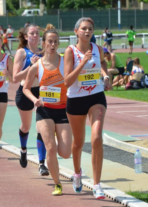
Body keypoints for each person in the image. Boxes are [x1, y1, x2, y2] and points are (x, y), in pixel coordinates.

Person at [64, 17, 111, 199]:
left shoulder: (98, 49)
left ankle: (97, 184)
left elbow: (103, 63)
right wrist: (82, 63)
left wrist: (105, 77)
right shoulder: (70, 52)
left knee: (97, 137)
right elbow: (67, 82)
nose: (87, 31)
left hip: (96, 97)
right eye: (83, 28)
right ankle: (77, 173)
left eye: (90, 29)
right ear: (76, 31)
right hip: (76, 100)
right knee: (78, 143)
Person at [23, 24, 72, 196]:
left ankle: (57, 141)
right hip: (44, 111)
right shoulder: (37, 67)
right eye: (49, 41)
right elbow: (25, 88)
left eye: (55, 42)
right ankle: (57, 184)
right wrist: (35, 99)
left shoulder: (65, 62)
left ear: (58, 44)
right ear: (43, 44)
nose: (52, 45)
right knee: (50, 147)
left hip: (63, 110)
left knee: (65, 153)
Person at [13, 24, 49, 176]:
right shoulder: (22, 53)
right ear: (26, 36)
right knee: (26, 127)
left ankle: (42, 164)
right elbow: (15, 77)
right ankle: (23, 149)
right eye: (32, 33)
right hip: (25, 92)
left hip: (41, 92)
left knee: (42, 128)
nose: (35, 35)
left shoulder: (45, 52)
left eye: (37, 33)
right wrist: (31, 66)